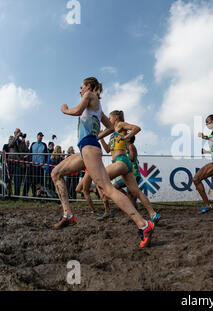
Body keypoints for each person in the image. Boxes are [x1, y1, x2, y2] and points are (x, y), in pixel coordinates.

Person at [51, 77, 154, 248]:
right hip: (85, 148)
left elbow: (77, 111)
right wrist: (98, 135)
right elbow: (111, 128)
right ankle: (68, 214)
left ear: (89, 86)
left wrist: (65, 109)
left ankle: (143, 225)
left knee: (107, 189)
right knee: (56, 173)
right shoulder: (98, 109)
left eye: (81, 87)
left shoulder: (90, 95)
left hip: (90, 148)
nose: (80, 90)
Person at [97, 110, 161, 224]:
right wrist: (101, 138)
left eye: (110, 118)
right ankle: (153, 213)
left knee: (99, 179)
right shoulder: (112, 133)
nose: (109, 120)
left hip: (120, 161)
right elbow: (107, 149)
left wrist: (126, 137)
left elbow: (137, 128)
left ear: (116, 117)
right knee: (136, 191)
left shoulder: (120, 125)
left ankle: (107, 210)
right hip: (123, 163)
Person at [30, 132, 48, 197]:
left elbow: (46, 155)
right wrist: (29, 163)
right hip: (33, 165)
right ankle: (34, 194)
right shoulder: (33, 144)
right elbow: (30, 154)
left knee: (41, 181)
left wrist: (44, 164)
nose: (41, 137)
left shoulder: (44, 145)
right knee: (33, 181)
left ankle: (41, 194)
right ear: (37, 136)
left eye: (42, 136)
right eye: (40, 136)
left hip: (41, 166)